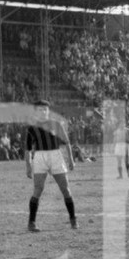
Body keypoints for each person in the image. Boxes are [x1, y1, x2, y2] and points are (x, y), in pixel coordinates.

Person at [25, 99, 77, 231]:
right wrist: (28, 165)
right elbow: (27, 149)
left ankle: (73, 220)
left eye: (45, 109)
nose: (43, 112)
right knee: (38, 189)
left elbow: (66, 142)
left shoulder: (57, 124)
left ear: (48, 111)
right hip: (39, 157)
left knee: (65, 189)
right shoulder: (31, 127)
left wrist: (70, 159)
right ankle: (31, 223)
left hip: (56, 156)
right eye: (40, 109)